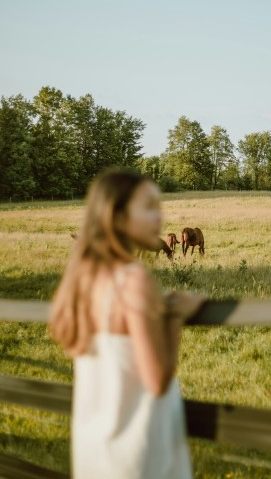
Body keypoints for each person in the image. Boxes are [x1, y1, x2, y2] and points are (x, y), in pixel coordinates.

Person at [50, 168, 206, 479]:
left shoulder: (86, 279)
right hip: (137, 451)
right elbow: (157, 379)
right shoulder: (134, 280)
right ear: (118, 217)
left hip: (94, 448)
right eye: (149, 207)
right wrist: (176, 316)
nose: (160, 218)